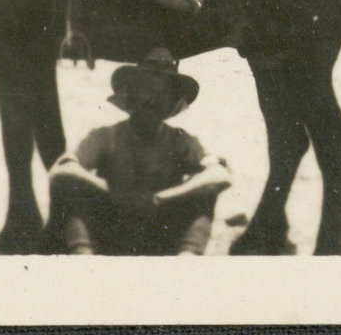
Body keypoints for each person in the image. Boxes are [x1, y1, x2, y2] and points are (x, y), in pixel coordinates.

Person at [47, 48, 231, 255]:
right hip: (111, 231)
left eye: (163, 93)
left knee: (205, 193)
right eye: (147, 89)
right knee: (71, 189)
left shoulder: (180, 140)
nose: (153, 99)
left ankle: (186, 261)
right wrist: (115, 192)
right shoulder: (106, 136)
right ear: (131, 94)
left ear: (171, 103)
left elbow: (220, 175)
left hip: (161, 233)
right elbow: (61, 171)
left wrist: (160, 198)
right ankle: (84, 259)